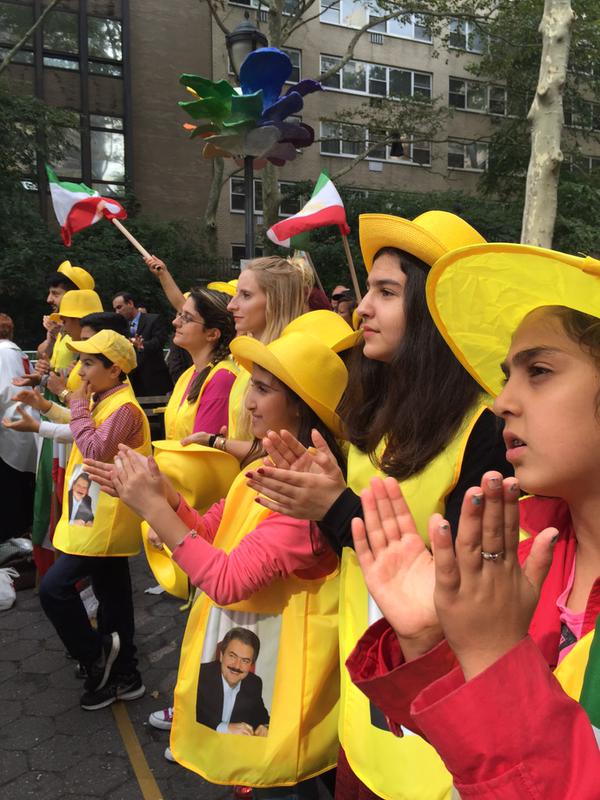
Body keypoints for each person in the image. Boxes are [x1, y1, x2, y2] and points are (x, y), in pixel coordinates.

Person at [244, 212, 512, 800]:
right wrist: (317, 502)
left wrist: (336, 507)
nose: (361, 308)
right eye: (368, 290)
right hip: (365, 694)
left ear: (440, 309)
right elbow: (350, 547)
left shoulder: (489, 431)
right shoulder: (376, 411)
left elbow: (470, 583)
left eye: (386, 292)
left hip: (435, 726)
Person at [346, 241, 600, 799]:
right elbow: (483, 755)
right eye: (508, 376)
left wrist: (489, 657)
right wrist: (430, 643)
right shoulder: (523, 548)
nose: (502, 401)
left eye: (539, 371)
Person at [85, 327, 348, 797]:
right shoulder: (261, 469)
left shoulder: (306, 498)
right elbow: (211, 534)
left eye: (263, 388)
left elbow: (227, 580)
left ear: (300, 407)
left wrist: (155, 509)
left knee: (282, 783)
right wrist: (165, 495)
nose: (248, 401)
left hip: (287, 683)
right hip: (259, 663)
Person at [38, 329, 151, 711]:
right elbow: (80, 429)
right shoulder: (105, 400)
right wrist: (56, 406)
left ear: (115, 369)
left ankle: (97, 654)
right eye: (80, 362)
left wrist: (76, 404)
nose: (80, 370)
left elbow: (94, 449)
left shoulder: (124, 408)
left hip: (106, 521)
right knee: (113, 598)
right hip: (94, 515)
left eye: (88, 362)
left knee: (54, 589)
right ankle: (124, 673)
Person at [0, 314, 37, 543]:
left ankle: (12, 546)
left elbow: (4, 392)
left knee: (10, 495)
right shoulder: (17, 352)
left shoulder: (3, 352)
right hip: (23, 426)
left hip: (11, 429)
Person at [197, 627, 270, 735]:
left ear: (251, 665)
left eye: (245, 661)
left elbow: (261, 717)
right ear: (221, 656)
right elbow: (192, 713)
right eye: (232, 656)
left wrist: (265, 727)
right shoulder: (200, 675)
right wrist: (225, 728)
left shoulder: (254, 684)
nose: (237, 666)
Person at [112, 291, 172, 397]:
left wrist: (142, 345)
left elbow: (159, 341)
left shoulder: (153, 319)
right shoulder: (120, 327)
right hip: (132, 384)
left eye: (119, 307)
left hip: (154, 381)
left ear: (130, 303)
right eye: (115, 309)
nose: (117, 312)